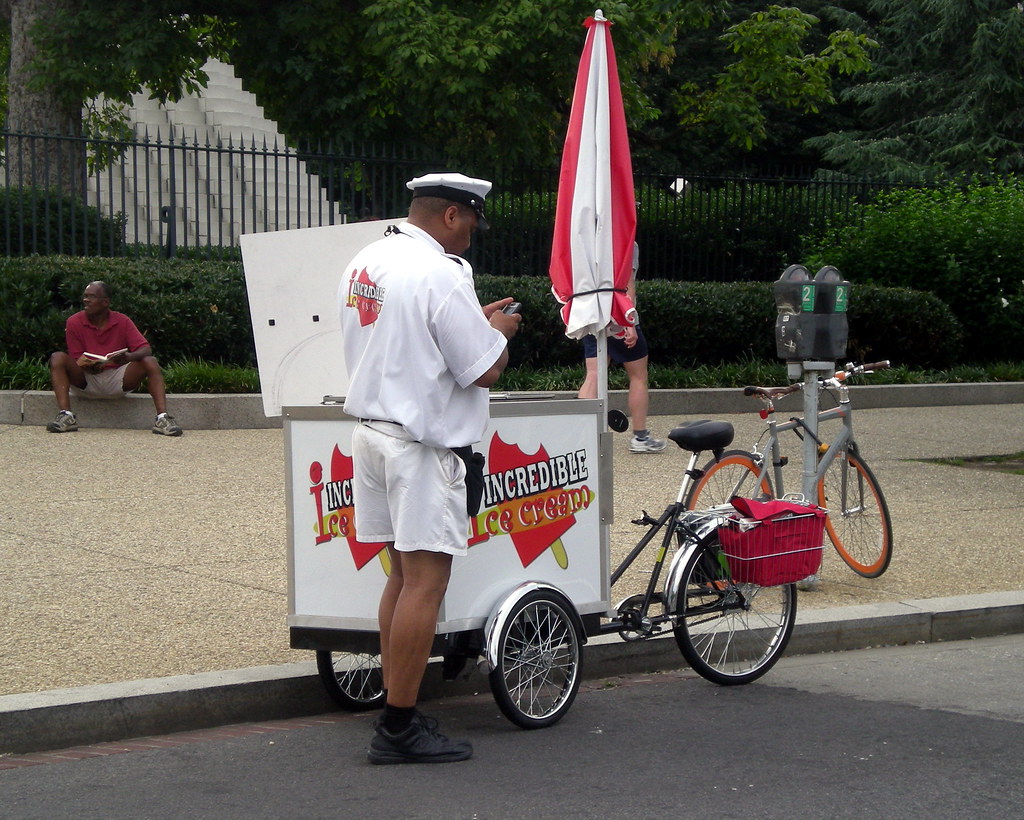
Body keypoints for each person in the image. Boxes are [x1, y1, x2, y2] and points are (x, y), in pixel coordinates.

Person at [338, 172, 521, 764]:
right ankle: (398, 726)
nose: (472, 231)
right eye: (471, 220)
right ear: (450, 216)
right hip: (420, 447)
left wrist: (473, 320)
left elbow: (408, 337)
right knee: (425, 582)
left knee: (400, 576)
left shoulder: (368, 258)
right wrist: (499, 332)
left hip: (373, 433)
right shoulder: (442, 271)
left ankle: (398, 706)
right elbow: (485, 369)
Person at [46, 281, 183, 436]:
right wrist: (88, 365)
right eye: (85, 296)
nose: (86, 300)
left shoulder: (122, 321)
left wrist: (129, 357)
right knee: (57, 358)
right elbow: (76, 357)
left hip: (117, 379)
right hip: (86, 380)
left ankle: (162, 419)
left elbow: (146, 349)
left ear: (105, 302)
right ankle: (66, 416)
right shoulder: (74, 322)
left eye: (92, 296)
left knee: (150, 361)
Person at [578, 243, 665, 453]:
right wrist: (629, 323)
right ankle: (640, 437)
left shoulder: (588, 236)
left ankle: (581, 434)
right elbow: (627, 284)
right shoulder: (625, 241)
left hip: (592, 313)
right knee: (638, 376)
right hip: (618, 315)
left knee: (593, 375)